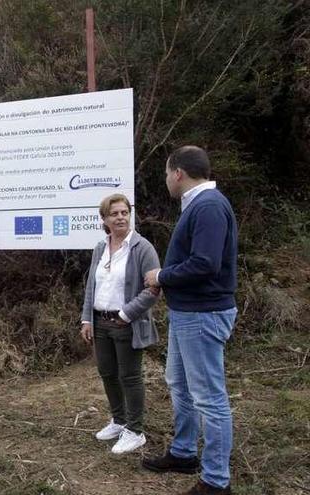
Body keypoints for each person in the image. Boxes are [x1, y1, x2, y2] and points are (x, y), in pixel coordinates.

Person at [142, 146, 239, 495]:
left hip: (202, 314)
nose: (166, 180)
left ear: (178, 172)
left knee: (209, 397)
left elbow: (205, 264)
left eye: (167, 173)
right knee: (178, 384)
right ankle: (183, 453)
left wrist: (161, 276)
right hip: (188, 315)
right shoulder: (199, 205)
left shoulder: (209, 206)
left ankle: (215, 481)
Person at [80, 194, 161, 454]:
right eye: (114, 214)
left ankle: (135, 431)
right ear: (104, 219)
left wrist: (127, 314)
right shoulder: (99, 248)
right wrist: (86, 318)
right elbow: (91, 286)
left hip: (127, 322)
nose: (120, 217)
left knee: (130, 376)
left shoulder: (142, 248)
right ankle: (119, 420)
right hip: (101, 322)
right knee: (107, 372)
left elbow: (153, 289)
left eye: (124, 212)